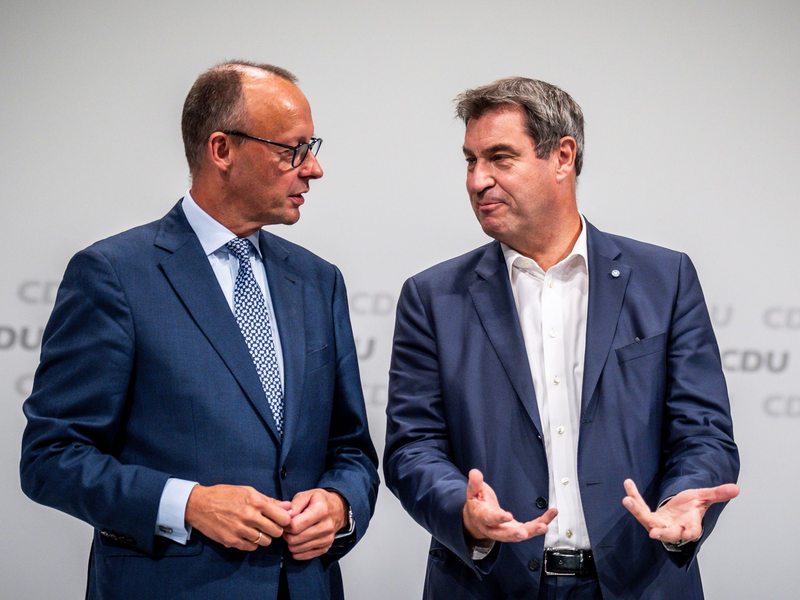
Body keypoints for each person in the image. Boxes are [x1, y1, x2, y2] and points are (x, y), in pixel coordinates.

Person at [20, 61, 379, 600]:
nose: (314, 169)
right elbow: (51, 457)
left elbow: (350, 449)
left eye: (313, 147)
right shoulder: (114, 274)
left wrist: (339, 506)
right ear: (222, 150)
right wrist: (186, 504)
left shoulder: (317, 280)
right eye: (293, 149)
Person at [383, 77, 739, 599]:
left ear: (563, 157)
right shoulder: (432, 297)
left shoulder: (665, 279)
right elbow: (412, 446)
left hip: (637, 582)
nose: (478, 180)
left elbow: (703, 430)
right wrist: (461, 507)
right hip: (489, 582)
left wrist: (683, 496)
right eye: (469, 161)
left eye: (500, 158)